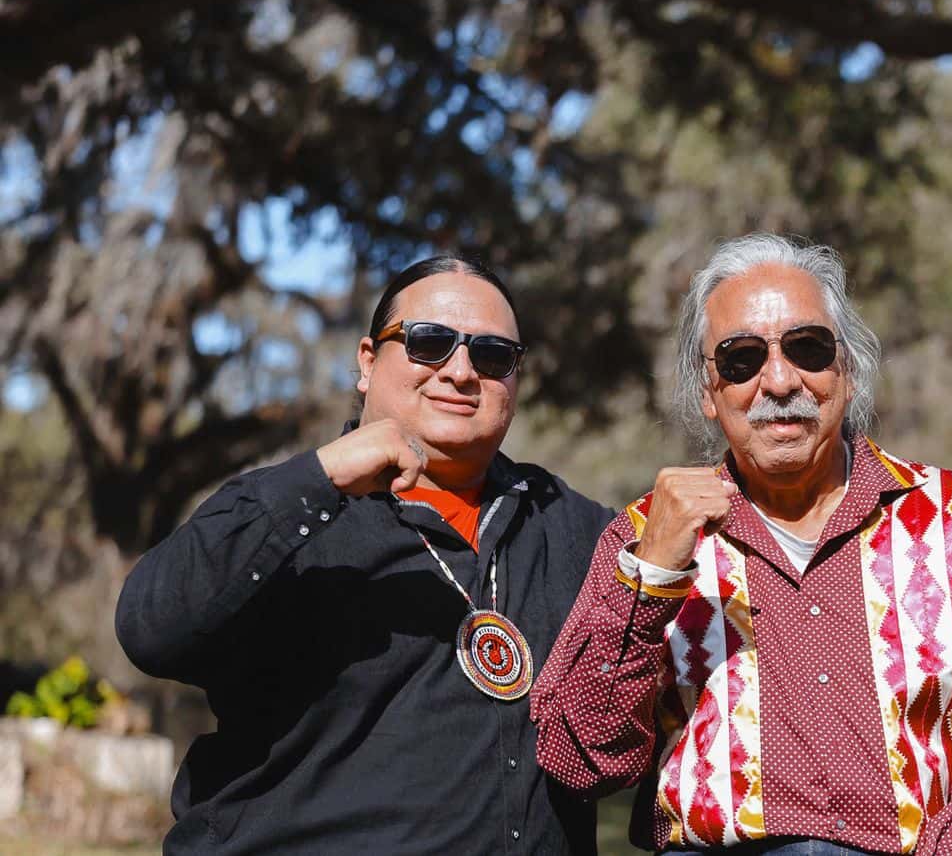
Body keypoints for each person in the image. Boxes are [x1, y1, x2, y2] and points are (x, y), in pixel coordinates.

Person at [532, 234, 952, 854]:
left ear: (849, 371)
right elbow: (581, 759)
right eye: (741, 359)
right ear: (707, 393)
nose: (780, 380)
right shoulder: (646, 537)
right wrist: (651, 579)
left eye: (807, 349)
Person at [116, 256, 613, 854]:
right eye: (430, 343)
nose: (460, 372)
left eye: (491, 355)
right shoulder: (285, 511)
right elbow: (150, 627)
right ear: (368, 362)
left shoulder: (573, 525)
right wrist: (322, 477)